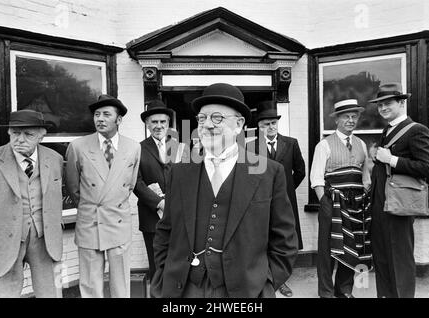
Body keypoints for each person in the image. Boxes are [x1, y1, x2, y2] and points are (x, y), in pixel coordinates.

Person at [150, 83, 298, 298]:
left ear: (239, 125)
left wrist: (266, 282)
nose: (207, 125)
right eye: (202, 119)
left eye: (217, 118)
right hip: (185, 289)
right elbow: (165, 231)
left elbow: (285, 240)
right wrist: (163, 277)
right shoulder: (180, 173)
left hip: (246, 291)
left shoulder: (269, 173)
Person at [65, 94, 141, 298]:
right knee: (90, 283)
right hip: (90, 221)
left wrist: (111, 202)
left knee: (121, 283)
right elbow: (73, 186)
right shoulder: (78, 146)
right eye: (97, 114)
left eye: (106, 114)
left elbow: (130, 184)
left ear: (119, 120)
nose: (100, 118)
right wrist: (92, 205)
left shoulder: (133, 147)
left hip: (118, 221)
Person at [368, 83, 429, 298]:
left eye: (388, 103)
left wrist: (392, 160)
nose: (383, 108)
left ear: (401, 103)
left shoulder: (416, 130)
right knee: (382, 258)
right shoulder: (387, 130)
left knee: (399, 259)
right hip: (381, 204)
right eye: (380, 104)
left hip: (399, 206)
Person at [0, 110, 63, 298]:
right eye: (15, 133)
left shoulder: (55, 159)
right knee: (1, 293)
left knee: (51, 292)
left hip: (45, 239)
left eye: (28, 134)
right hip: (2, 239)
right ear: (9, 133)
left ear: (41, 136)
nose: (20, 139)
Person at [310, 99, 372, 298]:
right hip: (332, 203)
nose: (351, 120)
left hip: (355, 206)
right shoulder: (324, 145)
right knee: (327, 250)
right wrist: (325, 204)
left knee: (352, 248)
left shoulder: (361, 144)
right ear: (336, 119)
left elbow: (365, 177)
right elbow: (316, 179)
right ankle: (326, 293)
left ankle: (343, 290)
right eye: (346, 116)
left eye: (354, 116)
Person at [254, 100, 306, 297]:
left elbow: (300, 171)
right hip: (260, 200)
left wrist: (286, 188)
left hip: (285, 199)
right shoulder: (251, 147)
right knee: (263, 237)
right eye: (266, 124)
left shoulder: (291, 143)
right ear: (259, 126)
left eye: (273, 123)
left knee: (283, 237)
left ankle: (281, 280)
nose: (270, 127)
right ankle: (264, 277)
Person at [133, 99, 189, 283]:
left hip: (179, 216)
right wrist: (159, 202)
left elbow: (190, 179)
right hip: (151, 217)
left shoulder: (181, 147)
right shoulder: (137, 149)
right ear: (147, 124)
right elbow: (136, 182)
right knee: (156, 265)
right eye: (154, 122)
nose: (159, 126)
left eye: (162, 122)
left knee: (179, 262)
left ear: (168, 124)